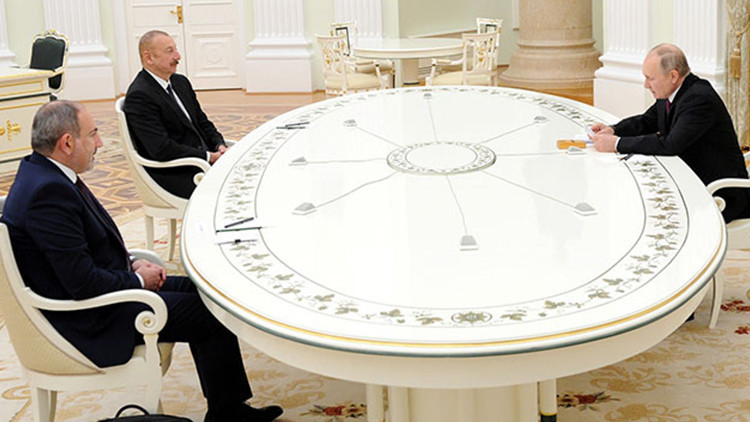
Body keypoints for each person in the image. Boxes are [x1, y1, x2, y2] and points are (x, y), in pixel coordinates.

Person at [0, 101, 282, 422]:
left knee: (205, 291)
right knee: (208, 312)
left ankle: (228, 408)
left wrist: (132, 264)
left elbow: (84, 252)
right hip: (88, 318)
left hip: (101, 292)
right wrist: (137, 281)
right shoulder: (48, 193)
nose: (101, 142)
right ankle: (227, 413)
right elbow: (81, 283)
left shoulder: (43, 172)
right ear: (66, 143)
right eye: (93, 134)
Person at [590, 43, 750, 223]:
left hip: (721, 194)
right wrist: (613, 129)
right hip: (690, 180)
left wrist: (617, 144)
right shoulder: (672, 92)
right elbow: (647, 120)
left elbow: (670, 145)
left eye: (650, 78)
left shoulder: (699, 99)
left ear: (673, 76)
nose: (646, 85)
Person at [124, 29, 228, 199]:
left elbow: (202, 122)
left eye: (176, 49)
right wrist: (208, 157)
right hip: (175, 172)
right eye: (169, 51)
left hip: (200, 162)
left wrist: (219, 145)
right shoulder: (140, 95)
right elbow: (161, 149)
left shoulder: (180, 82)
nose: (178, 56)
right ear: (149, 58)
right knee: (231, 190)